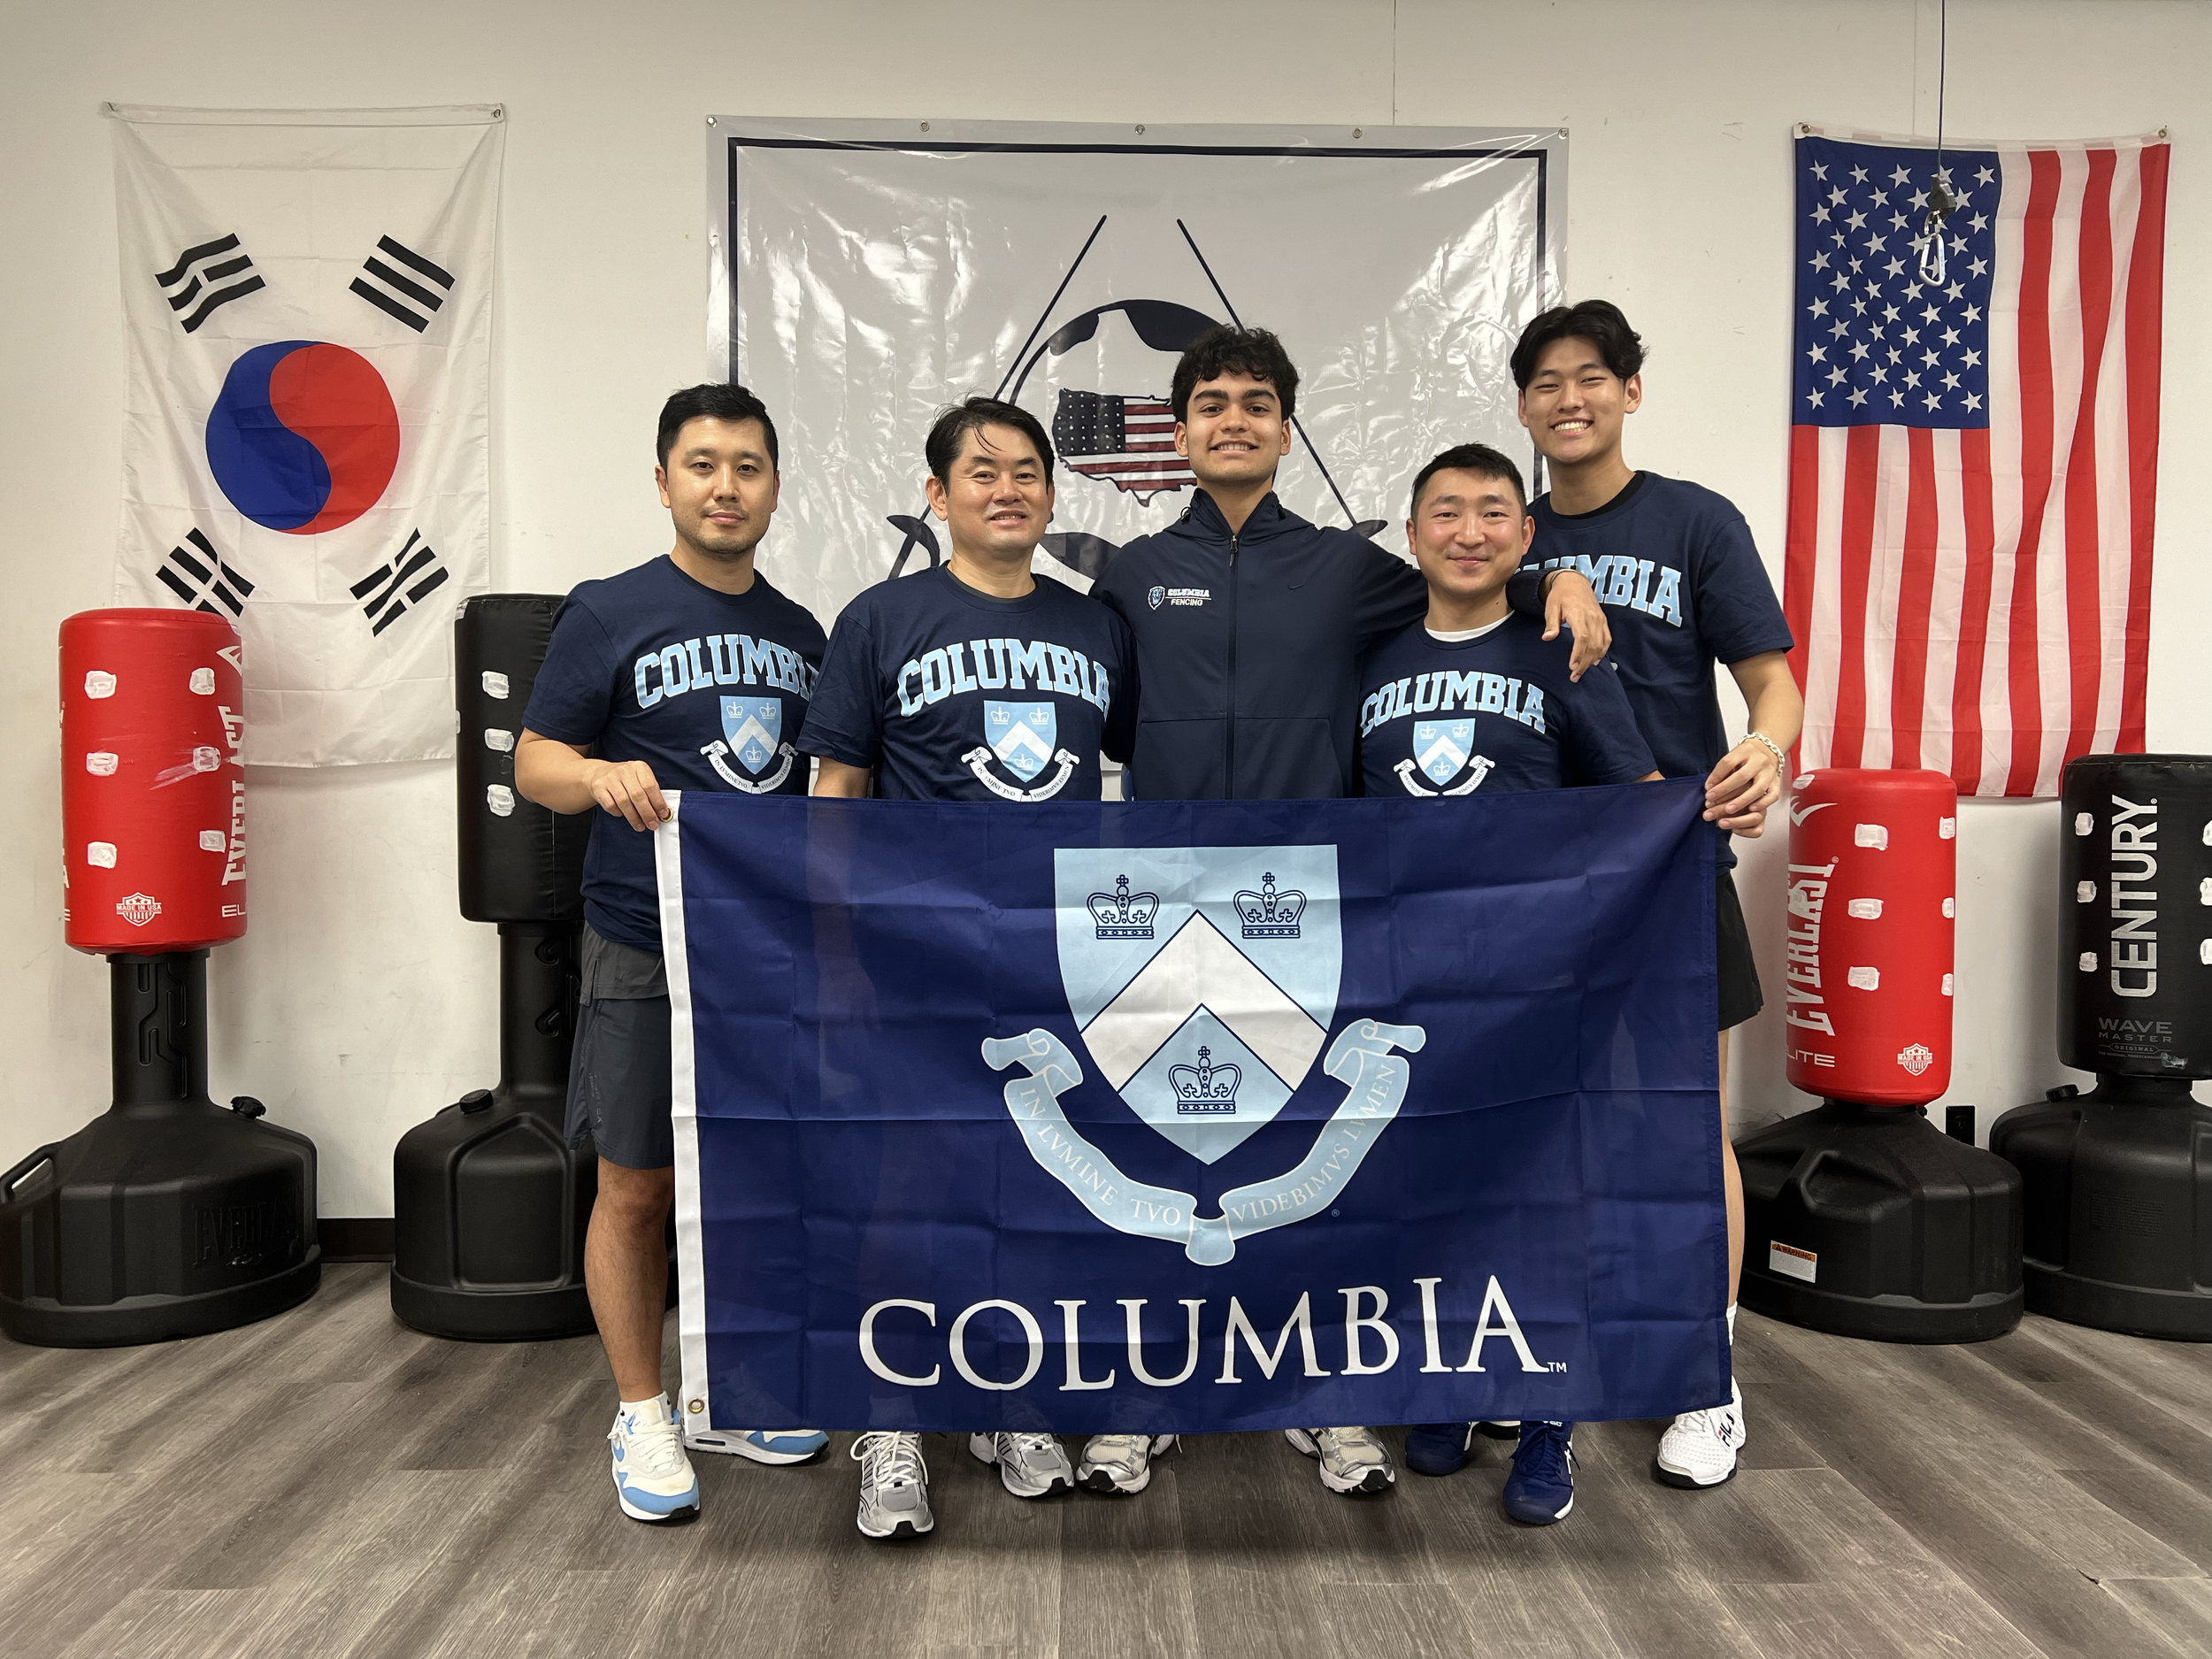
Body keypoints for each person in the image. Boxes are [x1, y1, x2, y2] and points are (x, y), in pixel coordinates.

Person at [1093, 326, 1613, 1498]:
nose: (1235, 417)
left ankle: (1328, 1397)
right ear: (1178, 433)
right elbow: (1110, 718)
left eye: (1260, 402)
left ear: (1287, 428)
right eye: (1213, 401)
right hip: (1161, 908)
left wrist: (1557, 574)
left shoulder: (1345, 564)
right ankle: (1150, 1392)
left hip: (1303, 910)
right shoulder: (1127, 574)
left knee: (1310, 1157)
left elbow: (1467, 578)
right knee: (1159, 1149)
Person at [801, 396, 1139, 1540]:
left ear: (1054, 492)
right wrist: (840, 952)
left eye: (1030, 470)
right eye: (982, 470)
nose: (1011, 487)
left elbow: (1121, 782)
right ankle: (890, 1419)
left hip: (1057, 956)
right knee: (910, 1183)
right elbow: (835, 794)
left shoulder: (1098, 627)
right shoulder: (880, 617)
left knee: (1036, 1178)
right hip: (916, 952)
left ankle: (1007, 1381)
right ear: (938, 495)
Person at [514, 383, 831, 1525]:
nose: (726, 486)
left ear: (774, 488)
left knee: (745, 1178)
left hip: (760, 950)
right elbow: (532, 761)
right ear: (663, 482)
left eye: (748, 466)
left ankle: (726, 1394)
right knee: (638, 1181)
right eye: (703, 465)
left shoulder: (805, 635)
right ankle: (641, 1407)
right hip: (644, 938)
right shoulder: (608, 611)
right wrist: (595, 777)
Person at [1511, 299, 1803, 1492]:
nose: (1568, 398)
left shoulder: (1696, 521)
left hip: (1665, 862)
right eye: (1545, 382)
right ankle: (1539, 1363)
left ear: (1632, 391)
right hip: (1527, 883)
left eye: (1592, 377)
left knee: (1685, 1122)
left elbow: (1770, 683)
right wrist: (1554, 577)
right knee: (1534, 1128)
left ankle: (1705, 1372)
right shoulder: (1494, 529)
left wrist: (1770, 749)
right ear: (1523, 405)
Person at [1363, 442, 1659, 1525]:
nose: (1470, 530)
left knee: (1545, 1195)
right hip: (1417, 977)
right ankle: (1448, 1377)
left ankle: (1546, 1417)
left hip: (1542, 978)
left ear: (1527, 538)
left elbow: (1634, 800)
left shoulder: (1562, 654)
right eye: (1446, 511)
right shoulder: (1377, 662)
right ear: (1412, 534)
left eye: (1495, 511)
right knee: (1437, 1189)